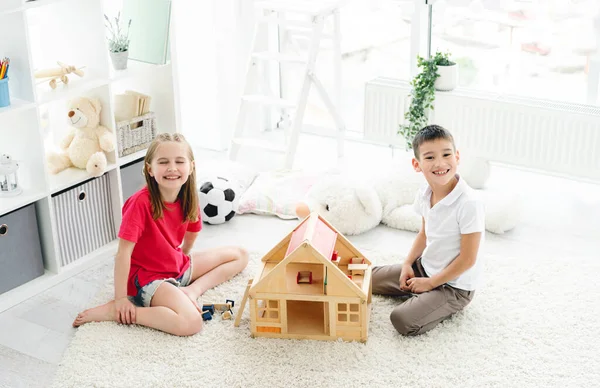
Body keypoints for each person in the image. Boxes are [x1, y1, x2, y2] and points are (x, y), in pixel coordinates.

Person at [72, 133, 248, 336]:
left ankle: (192, 291)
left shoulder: (188, 197)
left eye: (179, 161)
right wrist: (121, 299)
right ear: (150, 169)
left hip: (176, 266)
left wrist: (183, 257)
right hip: (148, 277)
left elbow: (193, 232)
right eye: (163, 162)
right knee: (191, 323)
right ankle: (122, 312)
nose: (172, 168)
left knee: (241, 255)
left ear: (191, 167)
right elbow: (123, 254)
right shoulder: (140, 203)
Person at [372, 125, 485, 336]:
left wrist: (431, 284)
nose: (440, 163)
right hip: (424, 268)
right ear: (417, 164)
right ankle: (424, 297)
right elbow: (424, 234)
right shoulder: (424, 193)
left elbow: (468, 259)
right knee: (367, 278)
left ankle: (433, 302)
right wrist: (407, 263)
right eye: (430, 157)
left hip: (454, 287)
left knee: (402, 320)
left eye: (446, 154)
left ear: (457, 157)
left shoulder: (469, 203)